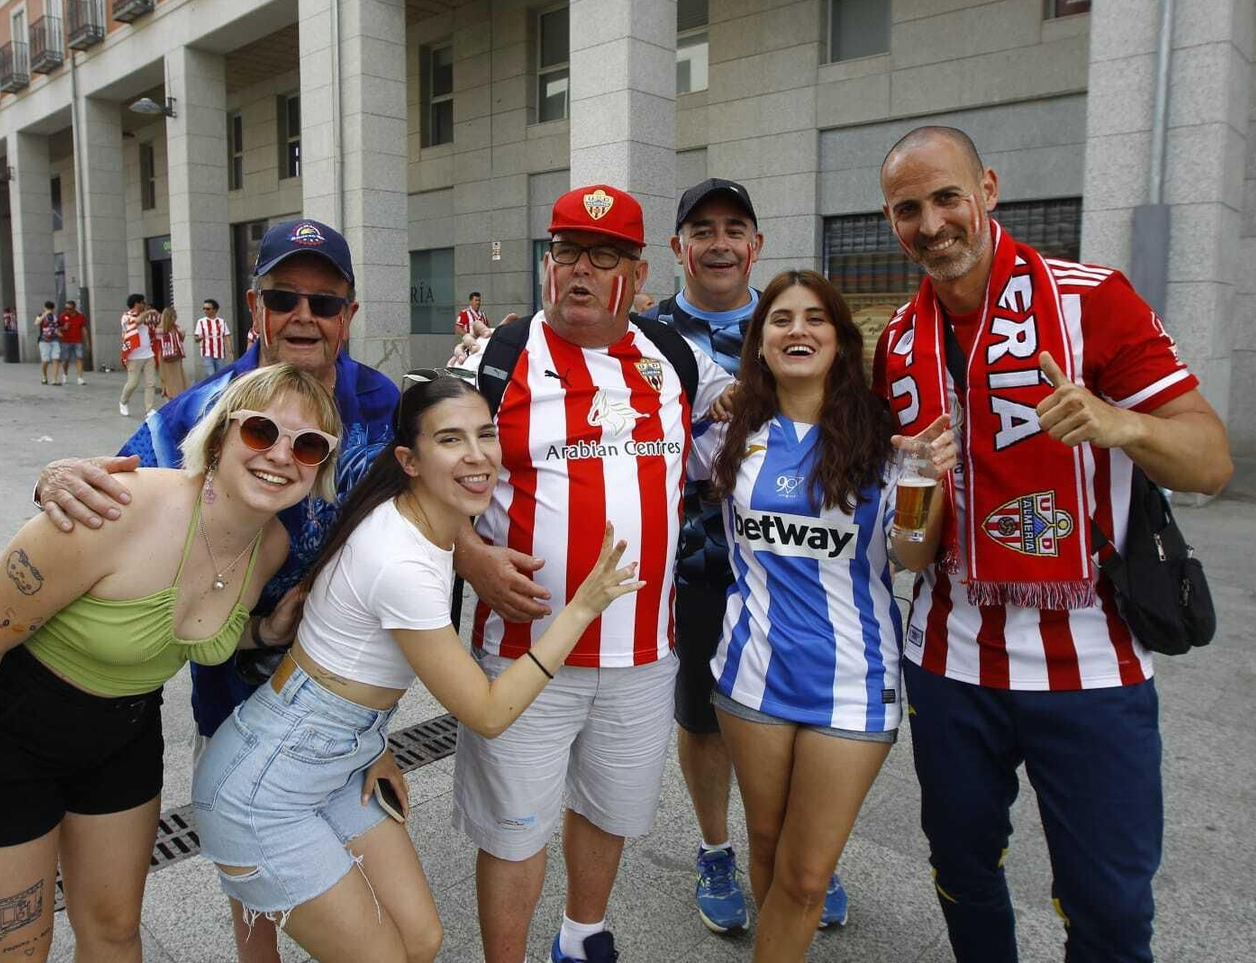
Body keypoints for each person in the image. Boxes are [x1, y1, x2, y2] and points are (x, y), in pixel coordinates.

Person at [37, 219, 535, 963]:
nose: (305, 315)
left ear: (349, 316)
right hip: (238, 703)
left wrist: (472, 553)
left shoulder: (381, 404)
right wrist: (50, 481)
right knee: (260, 927)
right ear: (255, 306)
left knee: (397, 931)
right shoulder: (197, 411)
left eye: (325, 301)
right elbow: (110, 500)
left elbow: (423, 487)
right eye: (284, 296)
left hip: (347, 713)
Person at [874, 126, 1233, 963]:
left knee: (1108, 904)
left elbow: (1211, 458)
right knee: (962, 872)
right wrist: (916, 493)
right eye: (907, 208)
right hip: (950, 659)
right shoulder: (896, 342)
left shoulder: (1092, 298)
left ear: (988, 189)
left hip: (1093, 662)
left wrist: (1120, 421)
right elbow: (911, 552)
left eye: (946, 198)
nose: (931, 224)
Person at [0, 363, 341, 962]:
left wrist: (265, 631)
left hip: (122, 737)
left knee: (116, 934)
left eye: (307, 445)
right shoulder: (120, 507)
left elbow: (192, 632)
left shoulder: (270, 546)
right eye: (259, 432)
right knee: (16, 950)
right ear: (220, 436)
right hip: (3, 736)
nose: (280, 456)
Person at [195, 373, 642, 962]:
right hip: (265, 786)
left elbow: (347, 661)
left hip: (333, 754)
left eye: (486, 434)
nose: (478, 455)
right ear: (408, 459)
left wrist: (371, 744)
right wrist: (581, 608)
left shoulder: (413, 520)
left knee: (421, 940)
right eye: (451, 440)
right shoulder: (401, 560)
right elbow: (486, 712)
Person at [452, 185, 736, 963]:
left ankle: (582, 936)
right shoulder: (494, 359)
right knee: (514, 829)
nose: (580, 269)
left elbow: (751, 408)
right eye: (567, 250)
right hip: (521, 652)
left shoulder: (674, 358)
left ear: (638, 272)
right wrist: (472, 556)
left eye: (603, 255)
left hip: (643, 652)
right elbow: (420, 485)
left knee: (610, 809)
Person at [692, 270, 955, 961]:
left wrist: (924, 483)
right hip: (751, 675)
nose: (798, 330)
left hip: (855, 681)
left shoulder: (885, 439)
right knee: (768, 844)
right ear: (760, 342)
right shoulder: (728, 436)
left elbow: (912, 553)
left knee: (808, 873)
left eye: (815, 318)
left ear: (839, 340)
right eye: (781, 319)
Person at [639, 177, 802, 935]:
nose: (718, 242)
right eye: (700, 229)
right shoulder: (643, 336)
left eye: (734, 227)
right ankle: (716, 848)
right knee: (703, 719)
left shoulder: (793, 322)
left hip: (791, 563)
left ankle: (802, 858)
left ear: (755, 244)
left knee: (797, 715)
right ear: (677, 247)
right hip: (693, 560)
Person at [119, 294, 161, 416]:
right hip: (133, 356)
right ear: (136, 304)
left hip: (148, 354)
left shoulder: (147, 317)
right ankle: (123, 401)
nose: (144, 305)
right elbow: (136, 322)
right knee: (133, 383)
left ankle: (149, 409)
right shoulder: (126, 316)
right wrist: (148, 313)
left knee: (151, 383)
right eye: (142, 302)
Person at [195, 298, 232, 379]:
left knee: (220, 375)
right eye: (204, 308)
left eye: (208, 309)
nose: (205, 311)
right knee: (211, 375)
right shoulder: (201, 322)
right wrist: (199, 338)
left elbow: (226, 336)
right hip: (207, 353)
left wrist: (230, 352)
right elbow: (196, 339)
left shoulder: (222, 322)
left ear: (215, 310)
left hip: (220, 353)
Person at [159, 306, 188, 399]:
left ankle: (177, 395)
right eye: (173, 316)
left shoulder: (176, 328)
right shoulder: (160, 329)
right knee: (169, 378)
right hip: (166, 356)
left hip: (177, 356)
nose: (175, 318)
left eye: (175, 316)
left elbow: (179, 341)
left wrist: (182, 336)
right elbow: (158, 343)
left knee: (178, 377)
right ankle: (171, 396)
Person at [58, 299, 88, 384]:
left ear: (74, 308)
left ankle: (80, 378)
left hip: (77, 340)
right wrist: (63, 328)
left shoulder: (81, 316)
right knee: (66, 359)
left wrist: (87, 342)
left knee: (79, 358)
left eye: (69, 308)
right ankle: (65, 374)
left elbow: (83, 329)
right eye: (66, 308)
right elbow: (57, 328)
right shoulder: (62, 316)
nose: (67, 310)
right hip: (66, 341)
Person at [35, 301, 62, 384]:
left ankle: (54, 379)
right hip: (44, 340)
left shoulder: (56, 317)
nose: (49, 310)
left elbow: (57, 327)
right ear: (45, 308)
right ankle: (44, 376)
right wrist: (44, 314)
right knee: (45, 360)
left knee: (56, 358)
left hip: (55, 340)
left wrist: (59, 333)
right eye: (48, 309)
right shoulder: (41, 315)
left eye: (50, 309)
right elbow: (36, 323)